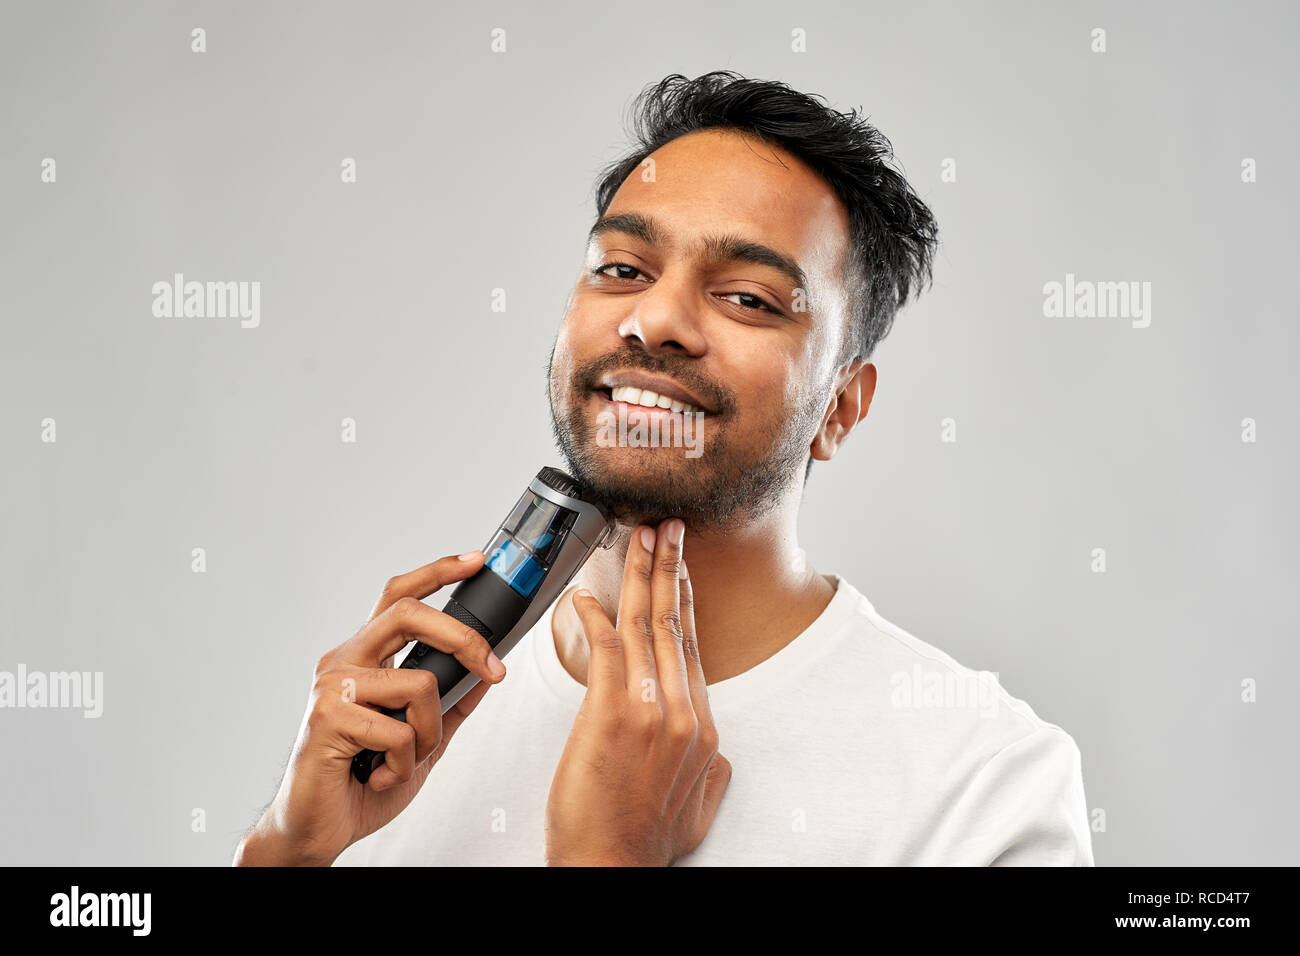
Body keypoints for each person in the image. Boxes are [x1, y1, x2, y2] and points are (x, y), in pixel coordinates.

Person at [234, 71, 1093, 867]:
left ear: (840, 407)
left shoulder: (985, 783)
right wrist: (285, 850)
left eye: (748, 298)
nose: (654, 318)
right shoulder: (400, 720)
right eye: (621, 269)